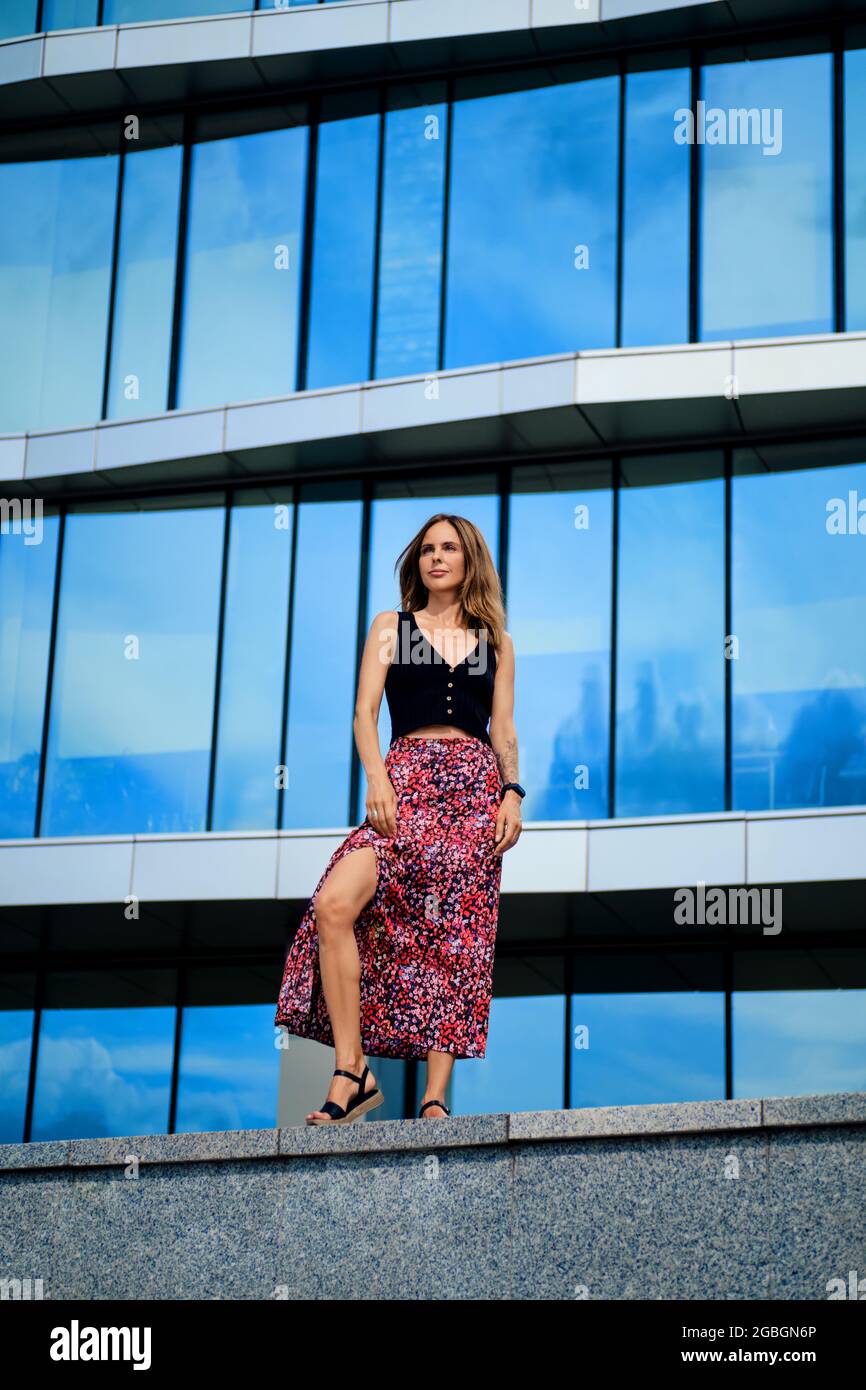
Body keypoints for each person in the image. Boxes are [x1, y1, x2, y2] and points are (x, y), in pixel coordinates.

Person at [274, 512, 524, 1124]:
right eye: (427, 549)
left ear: (470, 561)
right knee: (335, 904)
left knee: (453, 936)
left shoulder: (496, 642)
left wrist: (512, 793)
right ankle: (350, 1069)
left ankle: (435, 1097)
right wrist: (378, 778)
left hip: (471, 790)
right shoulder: (393, 627)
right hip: (405, 780)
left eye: (449, 549)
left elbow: (504, 728)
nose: (436, 558)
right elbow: (364, 715)